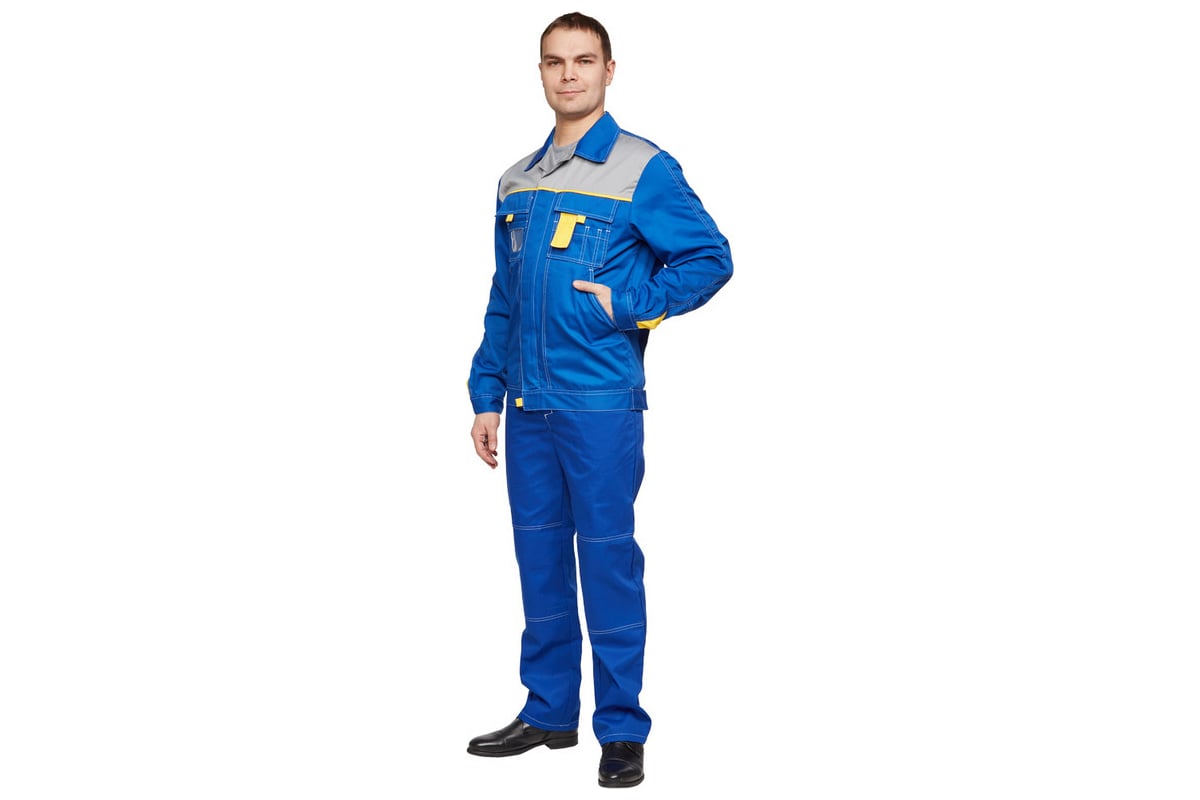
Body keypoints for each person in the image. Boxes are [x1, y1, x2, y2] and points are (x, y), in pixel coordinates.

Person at [465, 11, 733, 789]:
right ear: (540, 73)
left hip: (600, 403)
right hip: (528, 408)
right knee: (539, 559)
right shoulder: (517, 180)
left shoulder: (643, 168)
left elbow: (709, 258)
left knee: (608, 562)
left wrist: (630, 306)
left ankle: (621, 729)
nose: (569, 75)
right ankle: (549, 710)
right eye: (555, 62)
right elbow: (505, 297)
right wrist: (486, 393)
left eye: (584, 61)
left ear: (609, 71)